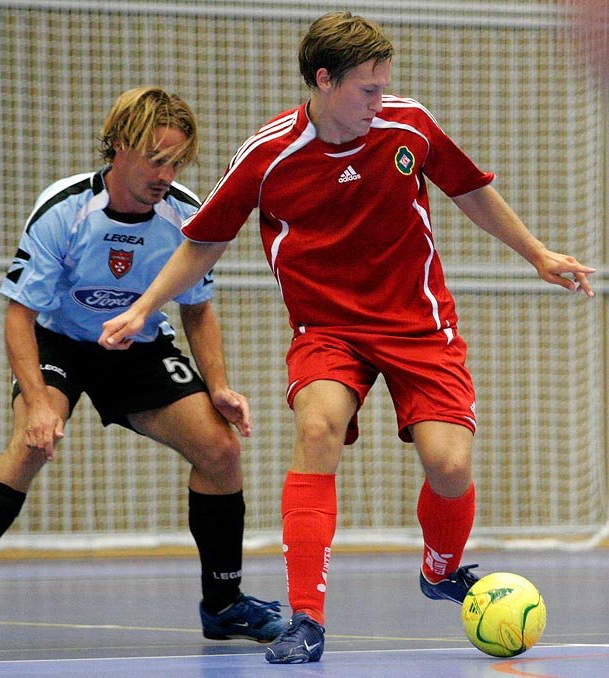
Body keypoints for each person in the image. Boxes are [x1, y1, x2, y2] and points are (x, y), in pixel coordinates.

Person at [97, 13, 596, 665]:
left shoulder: (408, 126)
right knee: (316, 431)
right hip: (328, 330)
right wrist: (143, 307)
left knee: (449, 466)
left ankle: (441, 570)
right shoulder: (268, 155)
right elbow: (203, 244)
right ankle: (307, 616)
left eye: (384, 87)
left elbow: (469, 190)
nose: (378, 101)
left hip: (418, 323)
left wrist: (536, 253)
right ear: (323, 81)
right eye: (367, 89)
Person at [0, 86, 285, 648]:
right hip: (60, 342)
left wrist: (218, 386)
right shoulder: (65, 211)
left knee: (221, 450)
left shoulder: (187, 215)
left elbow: (197, 309)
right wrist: (39, 401)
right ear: (119, 146)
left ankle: (223, 604)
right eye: (155, 158)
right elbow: (19, 317)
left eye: (177, 162)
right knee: (29, 444)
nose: (165, 174)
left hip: (138, 348)